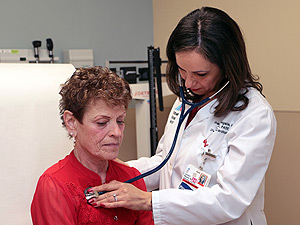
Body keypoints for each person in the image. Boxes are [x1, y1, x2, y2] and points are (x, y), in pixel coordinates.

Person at [85, 7, 277, 225]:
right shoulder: (186, 100)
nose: (189, 83)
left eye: (200, 74)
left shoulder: (254, 116)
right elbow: (165, 162)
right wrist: (117, 172)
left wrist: (149, 200)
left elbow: (229, 200)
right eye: (182, 70)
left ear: (227, 65)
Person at [31, 67, 154, 225]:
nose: (116, 132)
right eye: (102, 123)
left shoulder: (132, 178)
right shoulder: (54, 185)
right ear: (72, 123)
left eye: (120, 121)